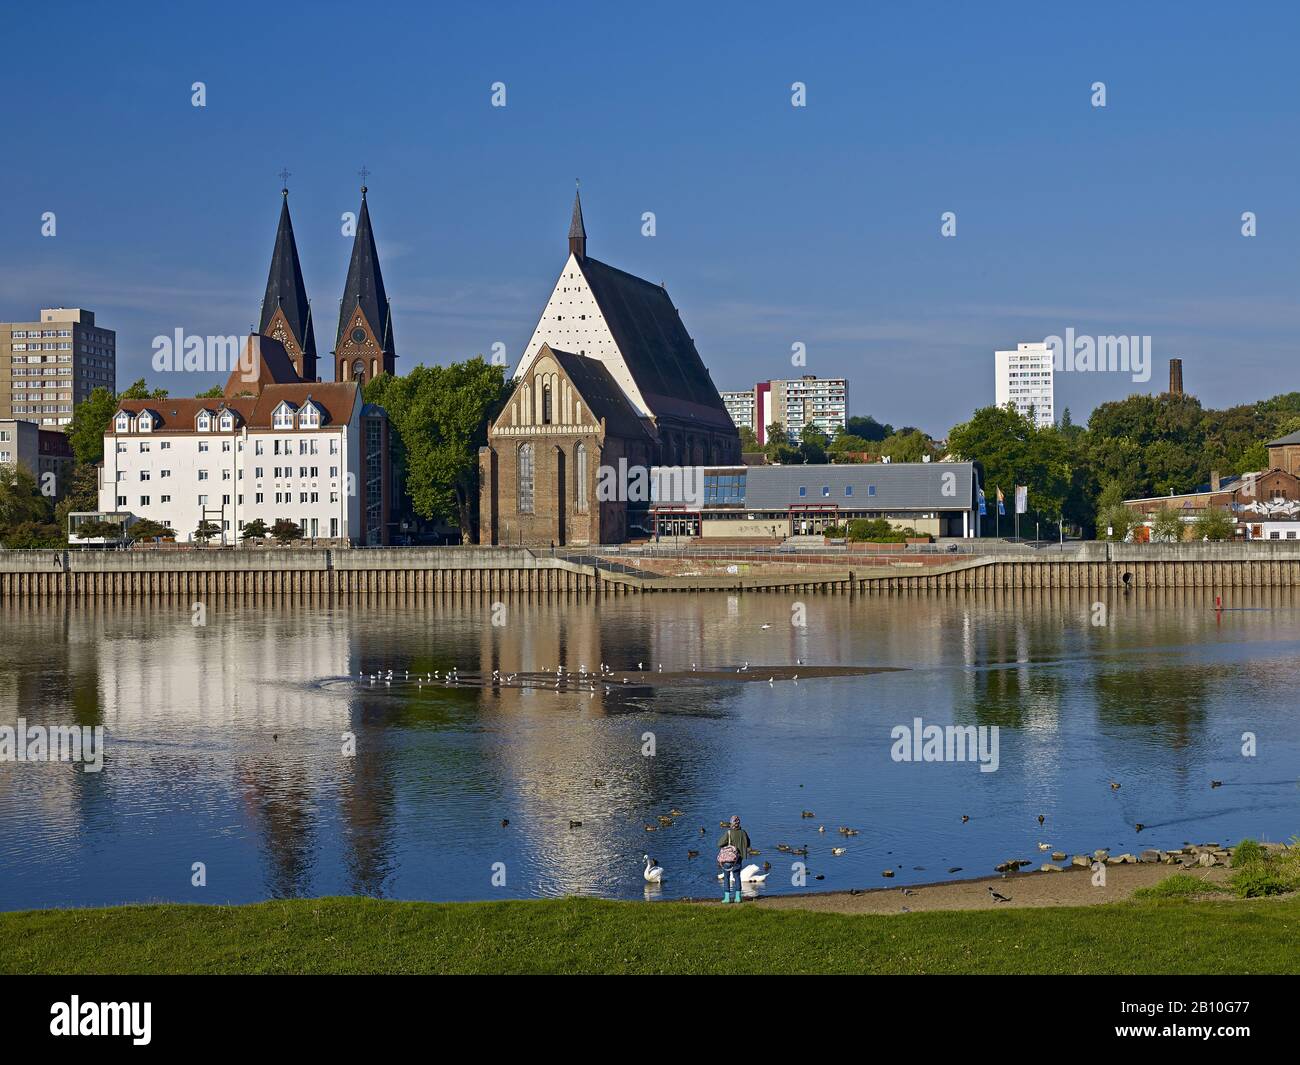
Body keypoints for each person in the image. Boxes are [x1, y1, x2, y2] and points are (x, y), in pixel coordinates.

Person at [716, 814, 752, 904]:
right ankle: (738, 898)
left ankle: (727, 898)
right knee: (737, 877)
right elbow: (748, 844)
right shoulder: (743, 832)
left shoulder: (729, 832)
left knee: (727, 878)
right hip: (738, 859)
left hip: (728, 859)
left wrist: (728, 844)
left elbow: (719, 844)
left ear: (731, 823)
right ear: (739, 823)